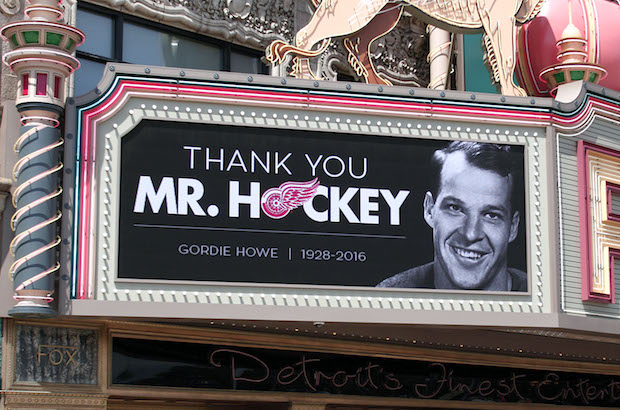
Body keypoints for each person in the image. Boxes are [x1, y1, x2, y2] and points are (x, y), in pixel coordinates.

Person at [377, 141, 527, 291]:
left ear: (513, 227)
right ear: (429, 209)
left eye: (491, 215)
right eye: (455, 208)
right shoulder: (387, 298)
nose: (470, 234)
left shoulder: (543, 297)